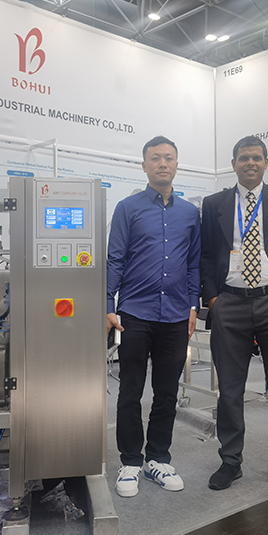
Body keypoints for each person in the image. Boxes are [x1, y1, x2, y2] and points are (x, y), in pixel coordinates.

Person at [201, 136, 268, 499]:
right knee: (230, 390)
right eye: (244, 158)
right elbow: (205, 255)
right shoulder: (214, 204)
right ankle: (230, 461)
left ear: (266, 163)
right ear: (233, 164)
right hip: (229, 303)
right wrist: (213, 299)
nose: (250, 163)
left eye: (257, 157)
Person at [107, 136, 201, 498]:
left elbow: (193, 264)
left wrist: (192, 305)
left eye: (169, 158)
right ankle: (131, 461)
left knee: (167, 392)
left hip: (176, 314)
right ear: (144, 165)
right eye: (156, 158)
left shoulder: (190, 213)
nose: (163, 164)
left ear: (177, 165)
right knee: (130, 389)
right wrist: (108, 304)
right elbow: (116, 258)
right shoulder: (127, 208)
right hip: (135, 312)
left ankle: (158, 459)